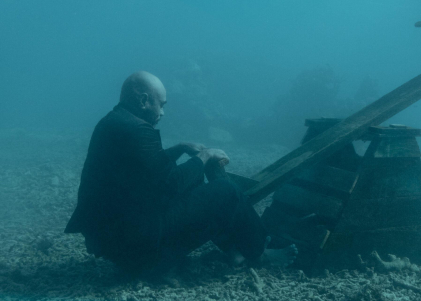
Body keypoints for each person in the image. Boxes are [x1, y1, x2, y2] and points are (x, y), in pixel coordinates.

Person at [65, 71, 297, 276]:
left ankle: (235, 249)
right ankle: (259, 252)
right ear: (144, 100)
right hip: (139, 253)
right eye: (161, 104)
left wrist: (178, 149)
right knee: (226, 191)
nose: (163, 112)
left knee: (194, 178)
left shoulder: (113, 122)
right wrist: (204, 157)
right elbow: (169, 185)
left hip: (118, 244)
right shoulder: (137, 130)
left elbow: (146, 173)